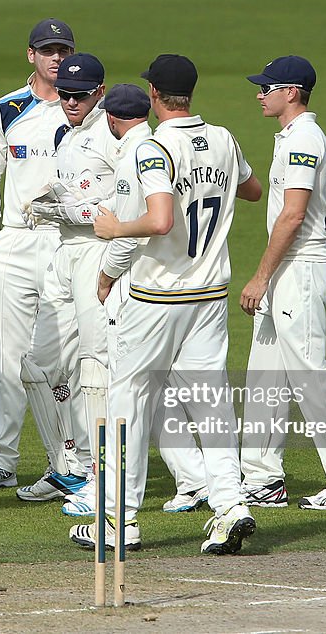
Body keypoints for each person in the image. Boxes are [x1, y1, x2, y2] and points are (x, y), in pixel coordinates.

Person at [78, 54, 263, 553]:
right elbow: (253, 190)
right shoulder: (224, 139)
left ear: (155, 94)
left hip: (158, 296)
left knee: (129, 403)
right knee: (211, 403)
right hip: (210, 296)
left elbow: (158, 221)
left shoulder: (153, 148)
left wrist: (116, 229)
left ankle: (118, 520)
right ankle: (230, 505)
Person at [238, 55, 326, 510]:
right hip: (287, 269)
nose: (259, 95)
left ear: (291, 92)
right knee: (265, 376)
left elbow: (293, 215)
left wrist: (261, 276)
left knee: (309, 375)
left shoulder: (306, 140)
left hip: (300, 267)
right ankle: (263, 478)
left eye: (267, 88)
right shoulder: (290, 137)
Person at [95, 83, 213, 516]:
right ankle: (204, 483)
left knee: (127, 396)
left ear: (110, 117)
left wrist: (105, 278)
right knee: (173, 391)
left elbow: (133, 231)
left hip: (145, 286)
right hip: (200, 287)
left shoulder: (140, 156)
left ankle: (116, 513)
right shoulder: (176, 144)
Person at [0, 19, 75, 490]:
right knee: (7, 354)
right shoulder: (9, 108)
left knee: (61, 357)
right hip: (13, 240)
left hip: (63, 241)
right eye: (47, 50)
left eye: (63, 50)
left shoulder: (86, 109)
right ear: (30, 55)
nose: (56, 57)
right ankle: (1, 459)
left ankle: (70, 461)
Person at [15, 53, 116, 510]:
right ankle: (66, 467)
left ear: (100, 92)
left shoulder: (114, 136)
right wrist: (47, 198)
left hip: (96, 254)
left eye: (81, 95)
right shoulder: (66, 133)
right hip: (62, 253)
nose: (70, 102)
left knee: (96, 368)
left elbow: (113, 207)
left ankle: (102, 479)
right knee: (36, 366)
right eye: (64, 94)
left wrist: (59, 209)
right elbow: (70, 186)